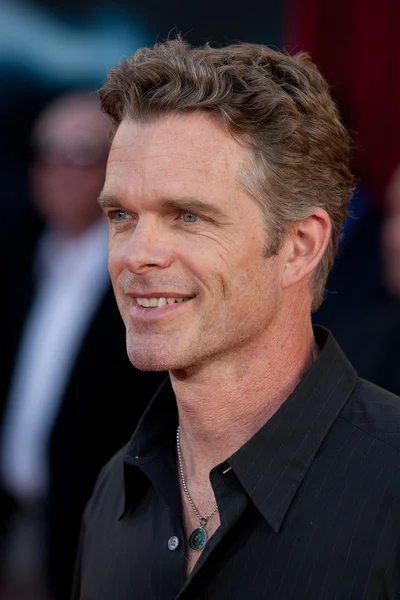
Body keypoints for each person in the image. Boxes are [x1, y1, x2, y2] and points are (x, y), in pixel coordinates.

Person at [72, 39, 400, 599]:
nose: (136, 254)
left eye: (189, 216)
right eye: (121, 215)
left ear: (299, 245)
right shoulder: (115, 494)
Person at [0, 91, 165, 600]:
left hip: (100, 535)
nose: (62, 169)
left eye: (83, 153)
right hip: (15, 519)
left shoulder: (147, 276)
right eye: (49, 152)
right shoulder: (17, 256)